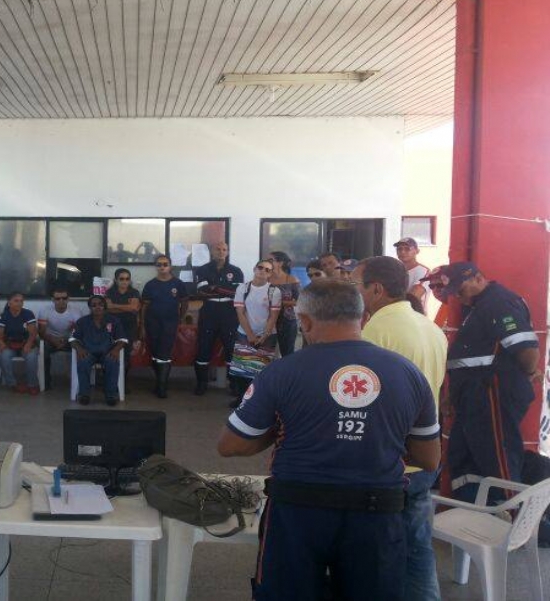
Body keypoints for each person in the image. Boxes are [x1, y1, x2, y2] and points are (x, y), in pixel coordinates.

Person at [217, 280, 440, 601]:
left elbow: (231, 445)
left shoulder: (280, 372)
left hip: (297, 511)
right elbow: (429, 459)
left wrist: (282, 429)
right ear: (363, 318)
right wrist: (372, 441)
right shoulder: (409, 373)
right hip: (377, 513)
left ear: (305, 322)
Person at [353, 256, 448, 601]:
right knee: (417, 548)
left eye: (355, 285)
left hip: (389, 462)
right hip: (424, 455)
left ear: (376, 289)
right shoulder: (430, 328)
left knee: (377, 552)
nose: (352, 293)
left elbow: (362, 400)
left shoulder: (376, 332)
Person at [440, 262, 541, 503]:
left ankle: (511, 514)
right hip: (472, 395)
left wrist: (527, 373)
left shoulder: (498, 302)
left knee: (498, 460)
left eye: (460, 289)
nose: (458, 296)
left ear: (478, 278)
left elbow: (527, 349)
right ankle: (470, 511)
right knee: (463, 457)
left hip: (491, 391)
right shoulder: (477, 305)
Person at [193, 242, 244, 395]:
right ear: (212, 252)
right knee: (204, 347)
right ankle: (201, 383)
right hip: (209, 311)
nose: (221, 252)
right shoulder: (203, 269)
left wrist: (214, 287)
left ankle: (234, 384)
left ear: (227, 252)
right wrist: (225, 290)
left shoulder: (236, 271)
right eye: (218, 249)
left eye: (224, 249)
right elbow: (202, 291)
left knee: (231, 349)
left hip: (229, 312)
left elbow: (237, 293)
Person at [228, 260, 282, 406]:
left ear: (270, 274)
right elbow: (240, 312)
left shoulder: (274, 291)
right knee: (242, 369)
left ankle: (258, 402)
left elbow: (273, 316)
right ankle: (241, 399)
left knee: (261, 370)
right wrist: (250, 334)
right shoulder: (242, 288)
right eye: (260, 267)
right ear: (254, 268)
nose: (263, 271)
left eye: (267, 270)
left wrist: (264, 335)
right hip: (244, 333)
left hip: (267, 336)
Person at [141, 254, 187, 398]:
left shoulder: (178, 284)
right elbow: (144, 307)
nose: (162, 267)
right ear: (156, 267)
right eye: (159, 264)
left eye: (165, 264)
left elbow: (184, 302)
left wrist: (180, 318)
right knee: (155, 355)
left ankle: (162, 388)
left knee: (164, 355)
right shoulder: (150, 285)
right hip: (152, 323)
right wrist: (142, 325)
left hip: (170, 324)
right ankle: (158, 384)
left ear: (170, 266)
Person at [70, 296, 127, 406]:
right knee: (83, 361)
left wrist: (116, 350)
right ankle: (84, 395)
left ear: (104, 306)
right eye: (94, 305)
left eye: (100, 304)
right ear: (90, 308)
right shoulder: (82, 321)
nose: (98, 307)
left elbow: (122, 339)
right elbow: (73, 339)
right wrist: (79, 349)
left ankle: (111, 395)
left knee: (112, 361)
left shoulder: (114, 321)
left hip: (108, 352)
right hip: (88, 352)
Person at [0, 292, 40, 395]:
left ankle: (32, 385)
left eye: (21, 301)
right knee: (3, 355)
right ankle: (12, 384)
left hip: (26, 343)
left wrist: (29, 344)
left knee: (31, 357)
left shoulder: (28, 314)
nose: (19, 303)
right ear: (9, 303)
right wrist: (1, 343)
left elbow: (33, 332)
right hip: (10, 344)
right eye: (16, 301)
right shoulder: (4, 316)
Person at [38, 287, 81, 389]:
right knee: (43, 350)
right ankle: (45, 383)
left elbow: (78, 332)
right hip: (50, 339)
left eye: (64, 298)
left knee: (80, 349)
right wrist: (53, 340)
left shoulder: (76, 311)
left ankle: (77, 383)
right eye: (57, 299)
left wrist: (65, 340)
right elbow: (41, 332)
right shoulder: (44, 310)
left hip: (69, 340)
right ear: (53, 300)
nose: (61, 301)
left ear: (68, 299)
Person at [105, 268, 141, 382]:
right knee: (112, 353)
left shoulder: (134, 292)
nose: (125, 281)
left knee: (126, 356)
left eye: (127, 279)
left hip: (130, 327)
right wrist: (127, 307)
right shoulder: (109, 292)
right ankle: (112, 382)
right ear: (116, 280)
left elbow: (134, 308)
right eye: (122, 279)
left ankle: (123, 383)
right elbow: (108, 308)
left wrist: (115, 305)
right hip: (113, 327)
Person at [267, 251, 300, 357]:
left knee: (287, 352)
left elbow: (300, 301)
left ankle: (288, 368)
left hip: (287, 319)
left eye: (271, 260)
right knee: (266, 351)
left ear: (280, 263)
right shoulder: (265, 278)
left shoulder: (291, 279)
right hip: (267, 319)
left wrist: (280, 303)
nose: (267, 262)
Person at [395, 238, 429, 311]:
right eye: (399, 249)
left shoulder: (423, 271)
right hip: (396, 313)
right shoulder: (395, 270)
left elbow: (413, 298)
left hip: (415, 315)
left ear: (417, 251)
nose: (402, 252)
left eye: (407, 249)